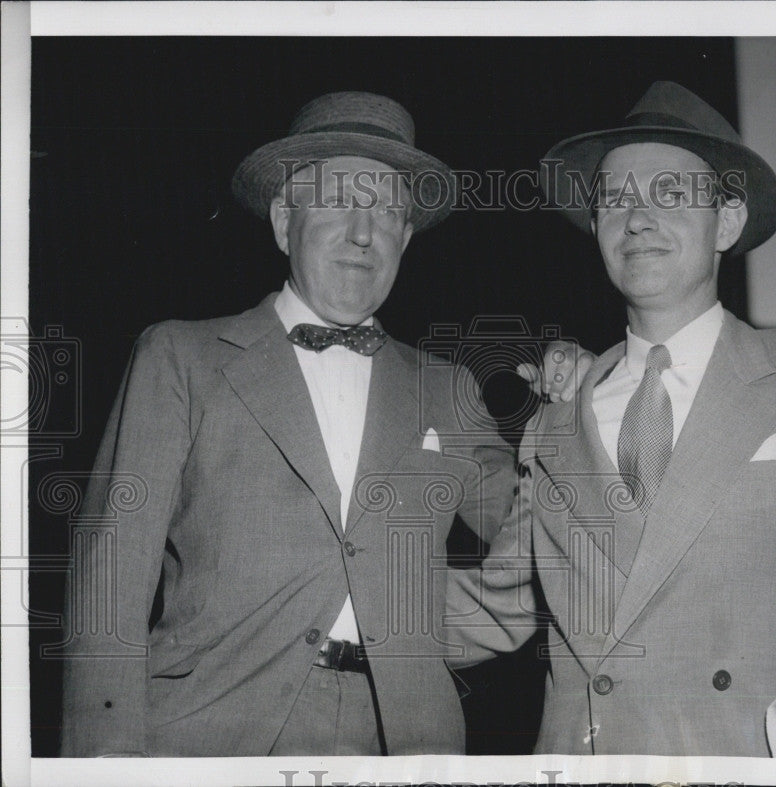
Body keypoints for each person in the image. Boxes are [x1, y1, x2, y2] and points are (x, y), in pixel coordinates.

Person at [449, 82, 776, 758]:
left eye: (670, 194)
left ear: (726, 222)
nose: (637, 218)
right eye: (616, 199)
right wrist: (319, 614)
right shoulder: (557, 415)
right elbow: (499, 603)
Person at [60, 91, 569, 757]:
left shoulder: (447, 388)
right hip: (208, 732)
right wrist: (103, 761)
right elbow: (109, 580)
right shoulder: (182, 357)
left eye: (387, 211)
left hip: (402, 745)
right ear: (283, 219)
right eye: (339, 202)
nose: (364, 232)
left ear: (406, 237)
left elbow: (544, 548)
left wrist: (571, 418)